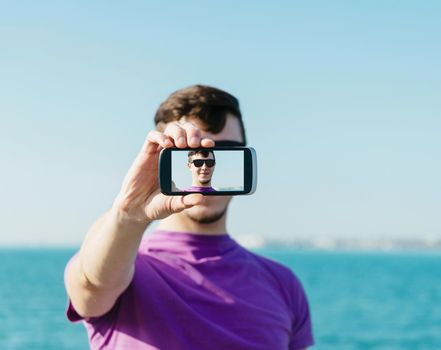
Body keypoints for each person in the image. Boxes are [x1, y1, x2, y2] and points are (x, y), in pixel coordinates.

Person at [64, 85, 314, 350]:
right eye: (189, 153)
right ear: (163, 160)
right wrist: (128, 214)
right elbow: (91, 284)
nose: (206, 165)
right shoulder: (125, 263)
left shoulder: (283, 284)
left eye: (223, 151)